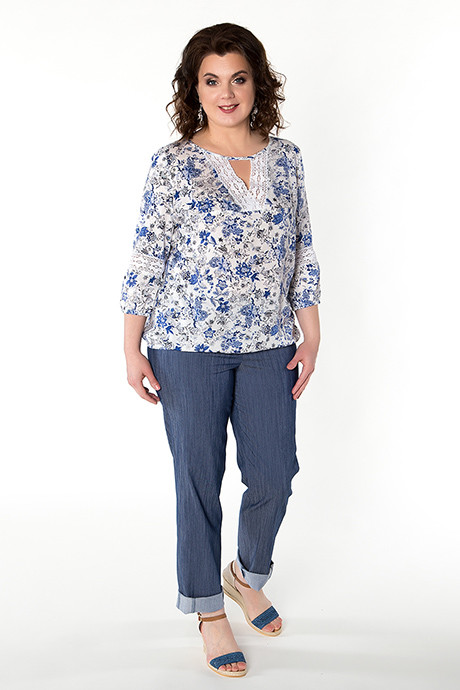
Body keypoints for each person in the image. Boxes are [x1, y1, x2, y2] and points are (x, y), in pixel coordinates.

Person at [120, 22, 321, 678]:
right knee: (197, 481)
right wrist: (132, 345)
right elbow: (148, 253)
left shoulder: (286, 159)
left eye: (238, 78)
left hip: (270, 342)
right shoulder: (172, 163)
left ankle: (246, 574)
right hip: (185, 345)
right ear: (195, 89)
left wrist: (311, 330)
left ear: (258, 84)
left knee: (274, 473)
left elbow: (302, 247)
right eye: (212, 81)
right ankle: (209, 609)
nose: (226, 92)